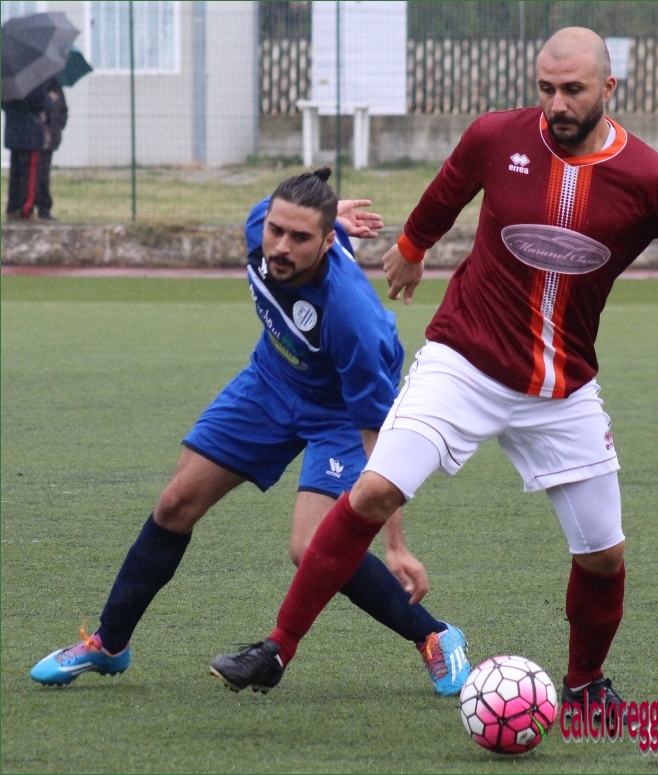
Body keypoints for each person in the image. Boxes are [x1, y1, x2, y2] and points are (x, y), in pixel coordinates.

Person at [210, 27, 658, 724]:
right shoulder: (496, 137)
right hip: (462, 361)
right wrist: (410, 246)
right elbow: (447, 190)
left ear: (609, 88)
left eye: (573, 90)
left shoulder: (653, 180)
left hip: (562, 388)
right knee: (372, 491)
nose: (556, 104)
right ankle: (277, 648)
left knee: (603, 556)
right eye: (545, 88)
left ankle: (585, 685)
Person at [30, 168, 470, 697]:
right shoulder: (260, 227)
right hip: (271, 381)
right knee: (175, 504)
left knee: (310, 547)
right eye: (276, 230)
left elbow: (379, 441)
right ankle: (109, 644)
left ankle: (434, 634)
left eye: (300, 237)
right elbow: (284, 218)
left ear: (328, 243)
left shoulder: (354, 318)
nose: (280, 247)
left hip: (338, 412)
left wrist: (395, 544)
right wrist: (327, 210)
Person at [2, 81, 48, 220]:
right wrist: (50, 99)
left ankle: (13, 207)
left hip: (13, 134)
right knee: (29, 175)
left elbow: (4, 104)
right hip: (29, 134)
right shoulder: (33, 81)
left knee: (16, 174)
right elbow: (40, 101)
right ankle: (26, 209)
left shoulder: (7, 83)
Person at [35, 77, 68, 220]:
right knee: (35, 173)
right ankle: (32, 205)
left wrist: (56, 127)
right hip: (35, 137)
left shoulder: (55, 86)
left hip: (50, 137)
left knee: (44, 173)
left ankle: (44, 207)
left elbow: (63, 110)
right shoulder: (34, 85)